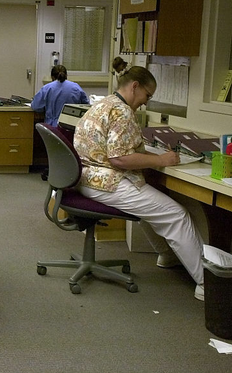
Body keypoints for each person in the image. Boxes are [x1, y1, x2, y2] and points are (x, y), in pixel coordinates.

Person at [72, 57, 205, 301]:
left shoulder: (106, 103)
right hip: (107, 182)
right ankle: (207, 284)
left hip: (86, 178)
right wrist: (161, 160)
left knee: (152, 204)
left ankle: (167, 255)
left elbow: (116, 150)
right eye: (147, 94)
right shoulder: (123, 112)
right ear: (134, 86)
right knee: (177, 215)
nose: (146, 102)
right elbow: (119, 159)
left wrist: (147, 156)